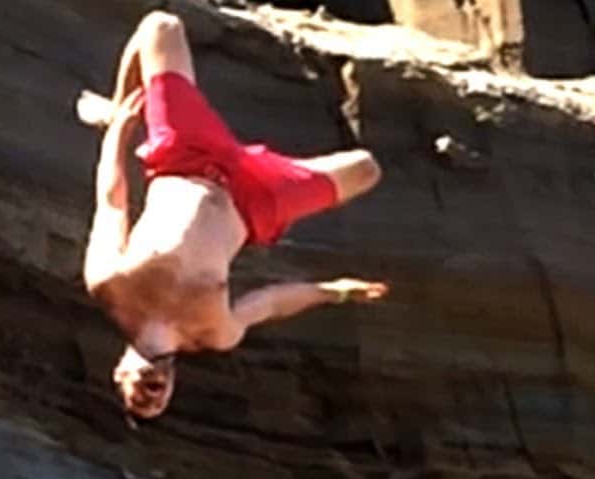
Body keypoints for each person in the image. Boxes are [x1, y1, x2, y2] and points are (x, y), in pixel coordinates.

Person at [77, 11, 389, 420]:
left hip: (185, 158)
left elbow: (112, 200)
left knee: (161, 27)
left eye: (137, 398)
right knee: (365, 170)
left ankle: (114, 103)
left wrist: (118, 127)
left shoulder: (109, 286)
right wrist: (336, 291)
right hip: (256, 200)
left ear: (121, 372)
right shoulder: (215, 332)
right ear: (172, 387)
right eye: (159, 402)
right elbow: (271, 303)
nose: (151, 397)